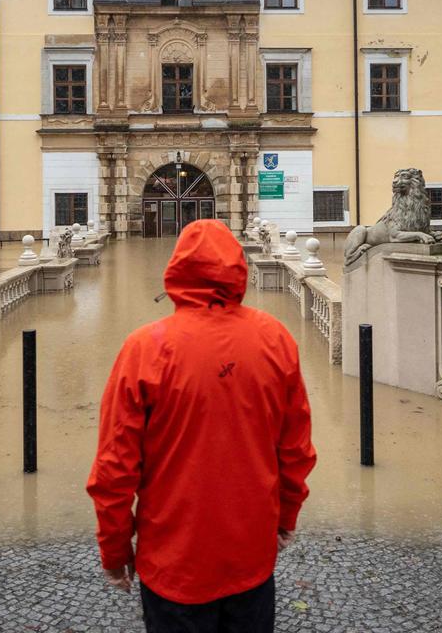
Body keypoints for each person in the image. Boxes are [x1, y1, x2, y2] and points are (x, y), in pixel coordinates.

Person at [87, 219, 317, 632]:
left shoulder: (145, 348)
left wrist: (115, 550)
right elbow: (296, 448)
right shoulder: (275, 339)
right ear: (239, 268)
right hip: (250, 555)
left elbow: (114, 469)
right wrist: (286, 517)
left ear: (176, 269)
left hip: (174, 564)